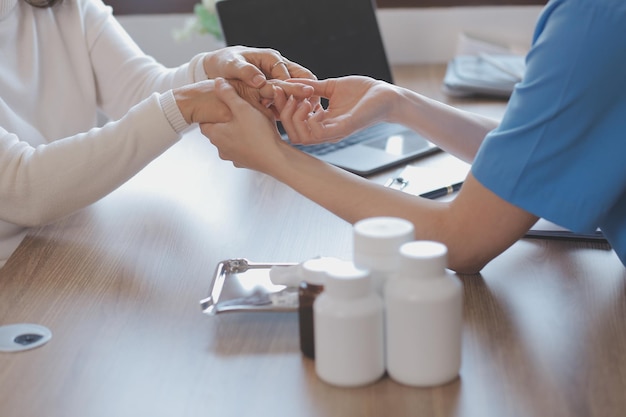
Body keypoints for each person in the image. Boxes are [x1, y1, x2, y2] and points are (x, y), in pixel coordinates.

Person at [202, 0, 626, 273]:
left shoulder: (594, 20)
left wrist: (275, 157)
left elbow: (459, 241)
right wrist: (398, 102)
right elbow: (535, 156)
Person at [0, 0, 317, 268]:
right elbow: (21, 187)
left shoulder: (70, 7)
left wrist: (210, 70)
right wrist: (187, 104)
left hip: (68, 237)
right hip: (12, 272)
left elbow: (138, 90)